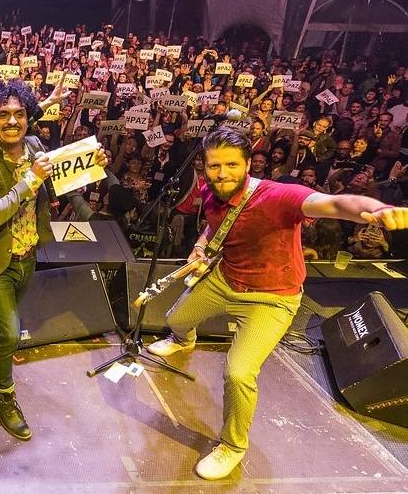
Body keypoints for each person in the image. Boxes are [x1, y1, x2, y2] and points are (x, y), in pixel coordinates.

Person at [146, 126, 408, 481]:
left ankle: (232, 446)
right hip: (225, 280)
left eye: (231, 165)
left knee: (238, 372)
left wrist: (375, 208)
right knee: (176, 318)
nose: (223, 174)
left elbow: (333, 204)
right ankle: (183, 339)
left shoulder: (278, 196)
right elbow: (214, 226)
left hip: (272, 299)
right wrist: (200, 245)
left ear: (248, 165)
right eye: (214, 166)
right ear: (203, 168)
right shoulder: (211, 191)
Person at [0, 78, 106, 440]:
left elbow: (58, 179)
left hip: (28, 253)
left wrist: (91, 165)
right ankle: (4, 394)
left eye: (19, 114)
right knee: (9, 332)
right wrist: (29, 179)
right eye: (3, 115)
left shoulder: (35, 145)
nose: (12, 121)